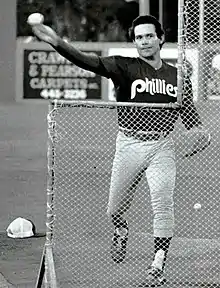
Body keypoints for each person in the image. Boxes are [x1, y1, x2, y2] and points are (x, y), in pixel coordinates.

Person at [30, 15, 211, 286]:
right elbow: (87, 61)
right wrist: (57, 42)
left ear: (160, 38)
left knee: (163, 206)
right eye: (139, 37)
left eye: (149, 35)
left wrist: (199, 134)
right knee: (114, 209)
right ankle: (120, 227)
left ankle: (158, 264)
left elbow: (192, 120)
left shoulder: (177, 76)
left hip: (162, 146)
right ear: (134, 41)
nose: (144, 41)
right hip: (129, 145)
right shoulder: (123, 66)